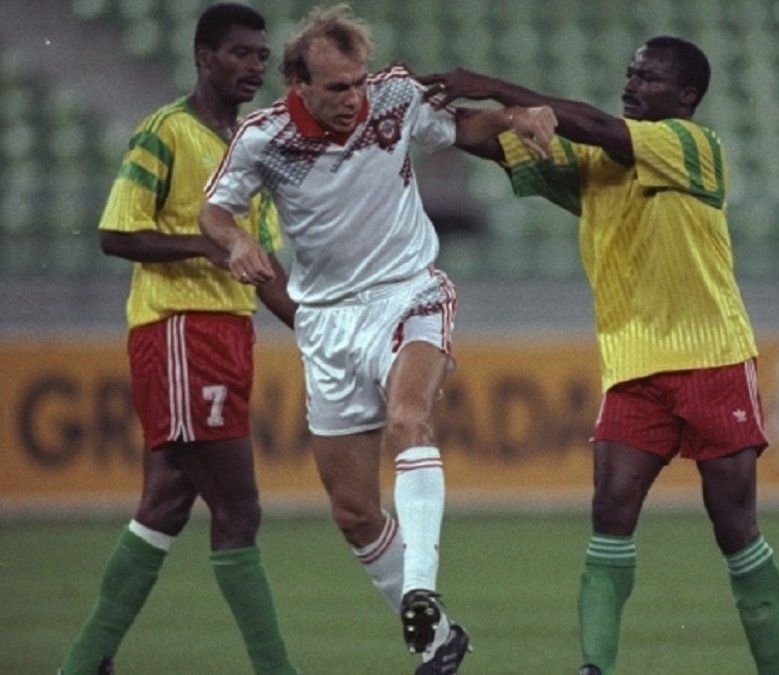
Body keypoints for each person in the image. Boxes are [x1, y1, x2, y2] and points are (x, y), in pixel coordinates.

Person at [197, 5, 555, 674]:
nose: (354, 98)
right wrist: (237, 241)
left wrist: (513, 117)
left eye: (358, 81)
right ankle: (441, 638)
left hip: (407, 292)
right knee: (353, 510)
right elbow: (212, 211)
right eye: (337, 87)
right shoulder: (263, 138)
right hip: (327, 322)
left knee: (408, 418)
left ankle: (420, 585)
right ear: (299, 84)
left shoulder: (393, 97)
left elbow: (461, 127)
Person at [417, 35, 779, 675]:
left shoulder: (694, 146)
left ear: (687, 96)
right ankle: (595, 668)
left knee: (734, 526)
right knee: (610, 509)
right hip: (633, 366)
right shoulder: (593, 162)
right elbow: (497, 142)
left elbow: (593, 125)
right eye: (630, 73)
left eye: (648, 78)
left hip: (714, 358)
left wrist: (494, 85)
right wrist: (421, 119)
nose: (631, 85)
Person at [59, 5, 300, 675]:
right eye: (240, 53)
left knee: (164, 506)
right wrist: (210, 243)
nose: (254, 65)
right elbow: (116, 233)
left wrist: (321, 330)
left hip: (227, 333)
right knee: (239, 509)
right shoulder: (165, 132)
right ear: (203, 57)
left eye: (261, 55)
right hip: (180, 331)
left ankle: (84, 661)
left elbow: (262, 265)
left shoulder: (251, 148)